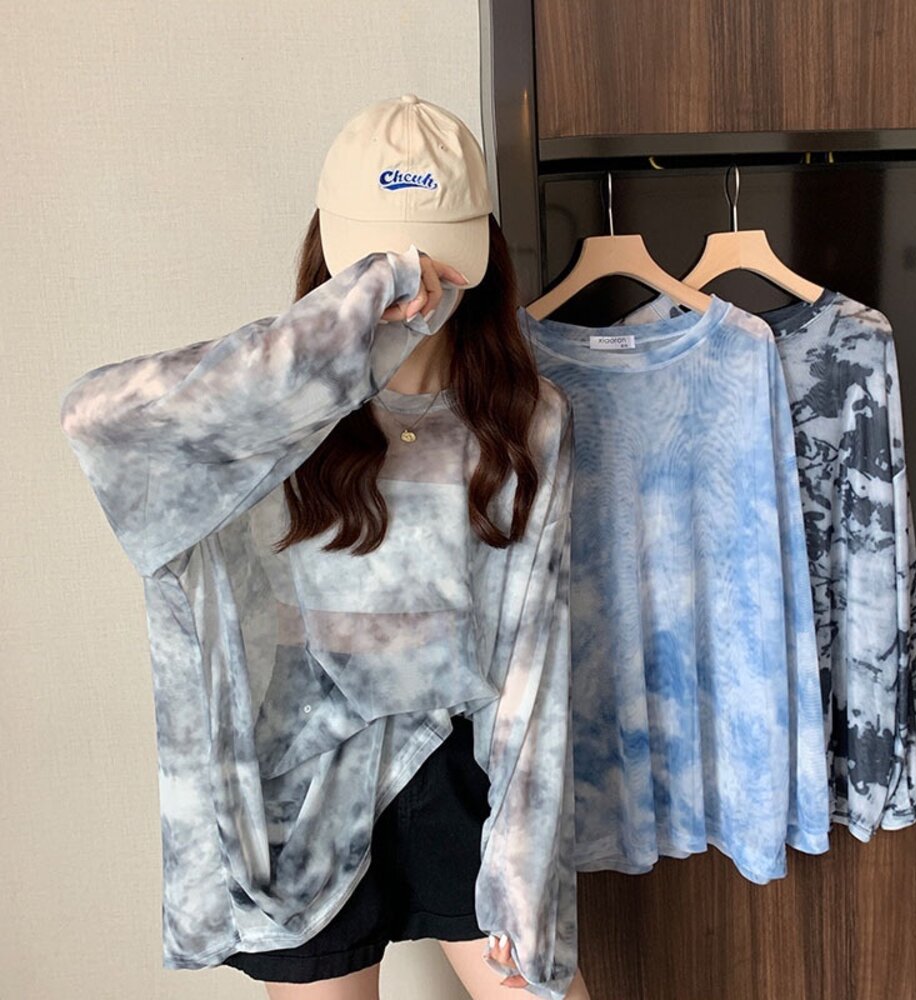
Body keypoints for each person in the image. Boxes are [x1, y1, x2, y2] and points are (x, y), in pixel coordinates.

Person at [58, 94, 592, 1000]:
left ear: (481, 251)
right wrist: (335, 338)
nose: (413, 283)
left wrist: (521, 860)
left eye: (429, 255)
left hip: (460, 771)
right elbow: (96, 420)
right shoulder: (261, 417)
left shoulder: (526, 419)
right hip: (298, 793)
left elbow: (533, 659)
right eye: (381, 259)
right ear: (335, 259)